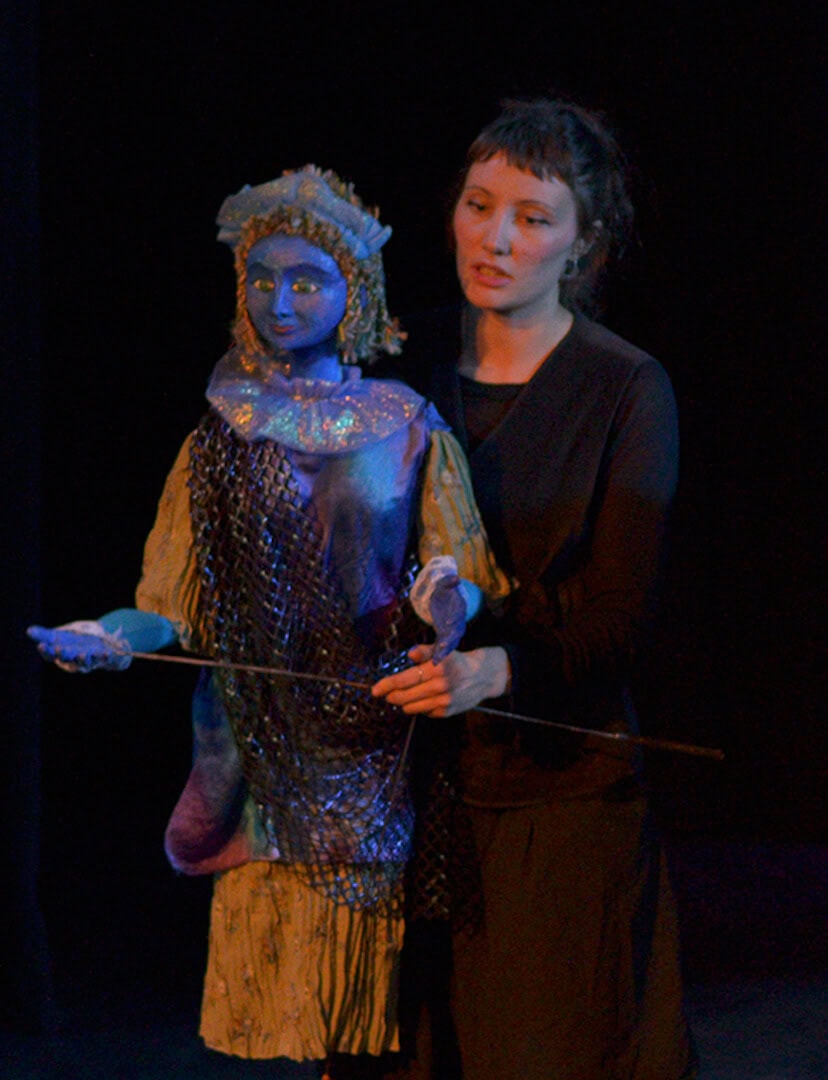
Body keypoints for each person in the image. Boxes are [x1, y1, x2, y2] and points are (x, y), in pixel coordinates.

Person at [29, 166, 507, 1079]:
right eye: (262, 280)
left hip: (366, 742)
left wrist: (447, 606)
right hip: (256, 745)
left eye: (307, 281)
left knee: (361, 1009)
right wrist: (110, 638)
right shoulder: (219, 432)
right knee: (283, 1007)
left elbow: (455, 563)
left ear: (353, 290)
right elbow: (169, 604)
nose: (280, 302)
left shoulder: (404, 424)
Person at [372, 99, 698, 1079]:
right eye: (479, 206)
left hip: (557, 800)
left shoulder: (625, 388)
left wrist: (494, 671)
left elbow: (620, 620)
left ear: (582, 243)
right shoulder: (398, 359)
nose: (497, 239)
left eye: (533, 217)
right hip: (400, 798)